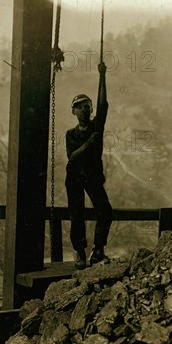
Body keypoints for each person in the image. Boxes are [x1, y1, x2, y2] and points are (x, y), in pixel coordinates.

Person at [65, 62, 113, 269]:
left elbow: (103, 105)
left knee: (105, 211)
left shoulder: (96, 126)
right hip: (74, 176)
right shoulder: (71, 134)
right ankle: (80, 252)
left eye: (88, 106)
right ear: (74, 110)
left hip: (92, 175)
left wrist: (102, 76)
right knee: (77, 214)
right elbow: (72, 156)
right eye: (81, 106)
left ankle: (98, 250)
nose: (85, 109)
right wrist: (89, 144)